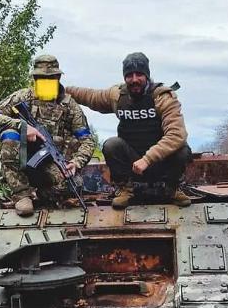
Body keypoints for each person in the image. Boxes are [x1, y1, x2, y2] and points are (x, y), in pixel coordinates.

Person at [66, 52, 192, 208]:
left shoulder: (163, 97)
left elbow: (176, 135)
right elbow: (91, 96)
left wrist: (147, 159)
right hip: (131, 162)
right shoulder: (118, 96)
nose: (134, 80)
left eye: (139, 74)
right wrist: (61, 89)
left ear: (147, 75)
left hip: (161, 162)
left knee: (182, 150)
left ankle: (172, 188)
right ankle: (125, 189)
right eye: (129, 75)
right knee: (112, 145)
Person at [0, 55, 96, 216]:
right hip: (25, 158)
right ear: (35, 78)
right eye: (41, 78)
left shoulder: (69, 105)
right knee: (10, 136)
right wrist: (22, 126)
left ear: (57, 78)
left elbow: (87, 140)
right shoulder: (23, 97)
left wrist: (76, 163)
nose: (46, 82)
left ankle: (43, 193)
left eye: (50, 78)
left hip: (51, 162)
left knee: (71, 185)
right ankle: (21, 194)